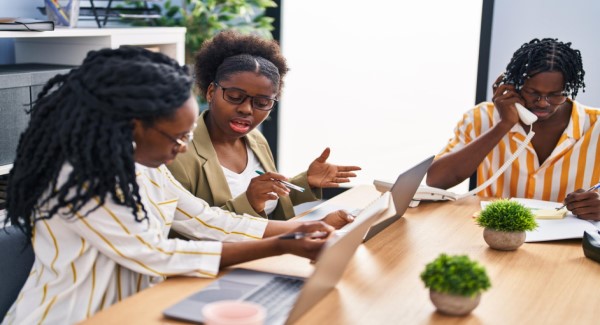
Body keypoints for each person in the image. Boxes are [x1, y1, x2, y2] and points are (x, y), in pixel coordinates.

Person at [2, 47, 352, 324]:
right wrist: (281, 244)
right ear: (134, 125)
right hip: (73, 317)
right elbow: (154, 254)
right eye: (179, 136)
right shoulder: (81, 178)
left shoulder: (145, 166)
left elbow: (205, 219)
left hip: (137, 309)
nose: (185, 146)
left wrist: (299, 228)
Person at [167, 30, 361, 220]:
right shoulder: (177, 154)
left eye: (261, 103)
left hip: (274, 246)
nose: (247, 109)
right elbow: (189, 229)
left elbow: (269, 202)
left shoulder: (255, 140)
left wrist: (307, 182)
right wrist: (249, 202)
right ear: (211, 92)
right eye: (235, 97)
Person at [426, 38, 600, 221]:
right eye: (533, 92)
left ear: (569, 89)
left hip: (566, 243)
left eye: (555, 95)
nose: (542, 102)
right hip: (497, 235)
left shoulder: (596, 126)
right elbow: (435, 181)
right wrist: (503, 125)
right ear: (513, 85)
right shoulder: (481, 118)